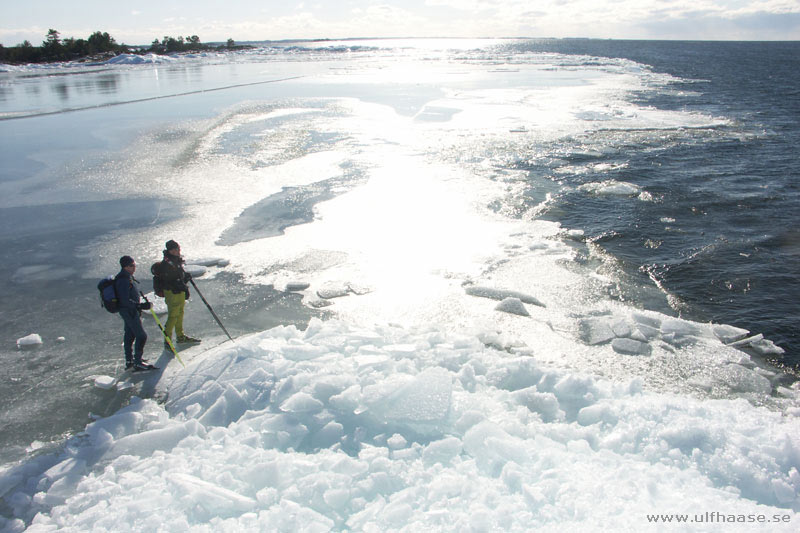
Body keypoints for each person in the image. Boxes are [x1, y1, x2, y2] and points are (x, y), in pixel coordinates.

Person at [151, 240, 200, 348]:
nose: (177, 251)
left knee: (180, 314)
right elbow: (168, 281)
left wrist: (185, 278)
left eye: (178, 248)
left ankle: (180, 336)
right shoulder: (166, 264)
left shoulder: (176, 261)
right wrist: (179, 283)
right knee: (173, 316)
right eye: (174, 249)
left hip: (179, 292)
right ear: (169, 251)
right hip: (172, 294)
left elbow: (178, 276)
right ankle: (167, 340)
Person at [115, 256, 155, 371]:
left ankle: (130, 361)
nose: (134, 268)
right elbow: (124, 299)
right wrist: (140, 306)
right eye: (131, 265)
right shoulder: (123, 280)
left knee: (130, 334)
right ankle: (137, 362)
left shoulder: (127, 277)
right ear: (125, 267)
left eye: (134, 265)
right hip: (129, 311)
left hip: (129, 310)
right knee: (141, 335)